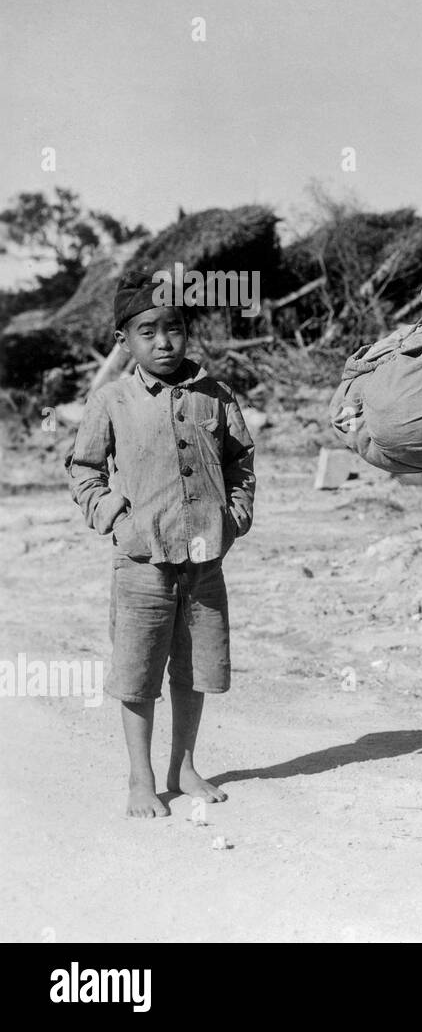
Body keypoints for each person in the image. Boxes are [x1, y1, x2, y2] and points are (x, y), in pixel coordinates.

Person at [67, 271, 256, 818]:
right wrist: (115, 519)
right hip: (142, 563)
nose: (163, 342)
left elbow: (241, 459)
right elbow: (83, 471)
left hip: (204, 559)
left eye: (173, 329)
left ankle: (186, 765)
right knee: (138, 671)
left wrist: (236, 515)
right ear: (124, 341)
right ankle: (141, 778)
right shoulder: (112, 399)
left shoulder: (215, 396)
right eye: (147, 332)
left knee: (194, 667)